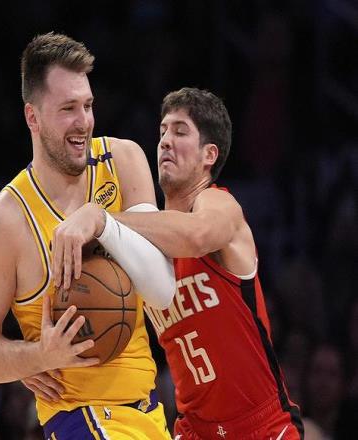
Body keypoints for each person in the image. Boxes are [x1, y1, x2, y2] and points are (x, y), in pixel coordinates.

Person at [52, 87, 304, 439]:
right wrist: (39, 360)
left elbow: (197, 235)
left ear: (209, 155)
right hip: (193, 429)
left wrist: (104, 219)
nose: (166, 141)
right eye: (162, 132)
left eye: (180, 132)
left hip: (262, 426)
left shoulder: (219, 205)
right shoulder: (144, 244)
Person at [0, 32, 175, 440]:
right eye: (67, 109)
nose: (84, 122)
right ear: (33, 118)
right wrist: (35, 356)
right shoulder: (4, 221)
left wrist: (102, 221)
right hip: (80, 418)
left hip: (149, 411)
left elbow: (162, 291)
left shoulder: (124, 161)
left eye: (88, 105)